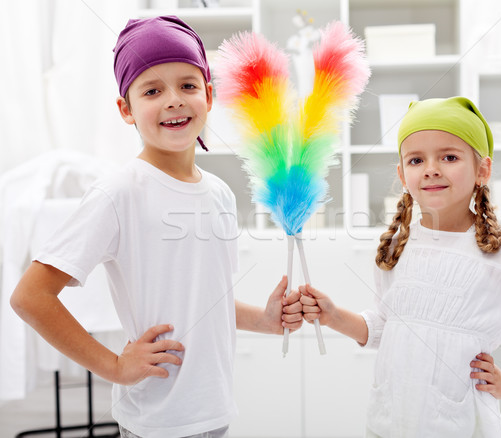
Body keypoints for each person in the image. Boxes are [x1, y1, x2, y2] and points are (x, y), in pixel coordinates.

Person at [10, 16, 303, 438]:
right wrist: (114, 365)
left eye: (187, 85)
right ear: (125, 109)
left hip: (214, 411)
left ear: (209, 95)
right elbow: (30, 297)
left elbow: (201, 300)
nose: (174, 100)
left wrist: (266, 320)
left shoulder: (219, 194)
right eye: (152, 90)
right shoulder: (119, 193)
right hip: (157, 422)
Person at [300, 96, 501, 437]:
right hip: (390, 421)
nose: (431, 169)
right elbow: (387, 328)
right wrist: (332, 315)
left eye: (449, 157)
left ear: (482, 169)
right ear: (402, 173)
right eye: (416, 159)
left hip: (461, 426)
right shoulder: (397, 247)